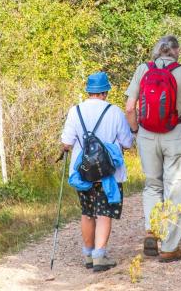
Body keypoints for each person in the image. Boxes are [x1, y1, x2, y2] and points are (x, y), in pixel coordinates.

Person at [125, 35, 181, 263]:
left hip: (147, 134)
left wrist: (135, 131)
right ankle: (169, 247)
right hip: (175, 133)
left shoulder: (143, 69)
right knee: (176, 188)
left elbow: (130, 108)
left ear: (157, 51)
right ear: (177, 51)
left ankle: (152, 230)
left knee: (152, 185)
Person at [61, 72, 134, 272]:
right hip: (109, 173)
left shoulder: (74, 111)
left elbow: (66, 143)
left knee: (87, 212)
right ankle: (100, 256)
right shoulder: (115, 112)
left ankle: (88, 254)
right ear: (105, 92)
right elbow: (127, 143)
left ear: (88, 91)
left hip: (83, 172)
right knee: (104, 213)